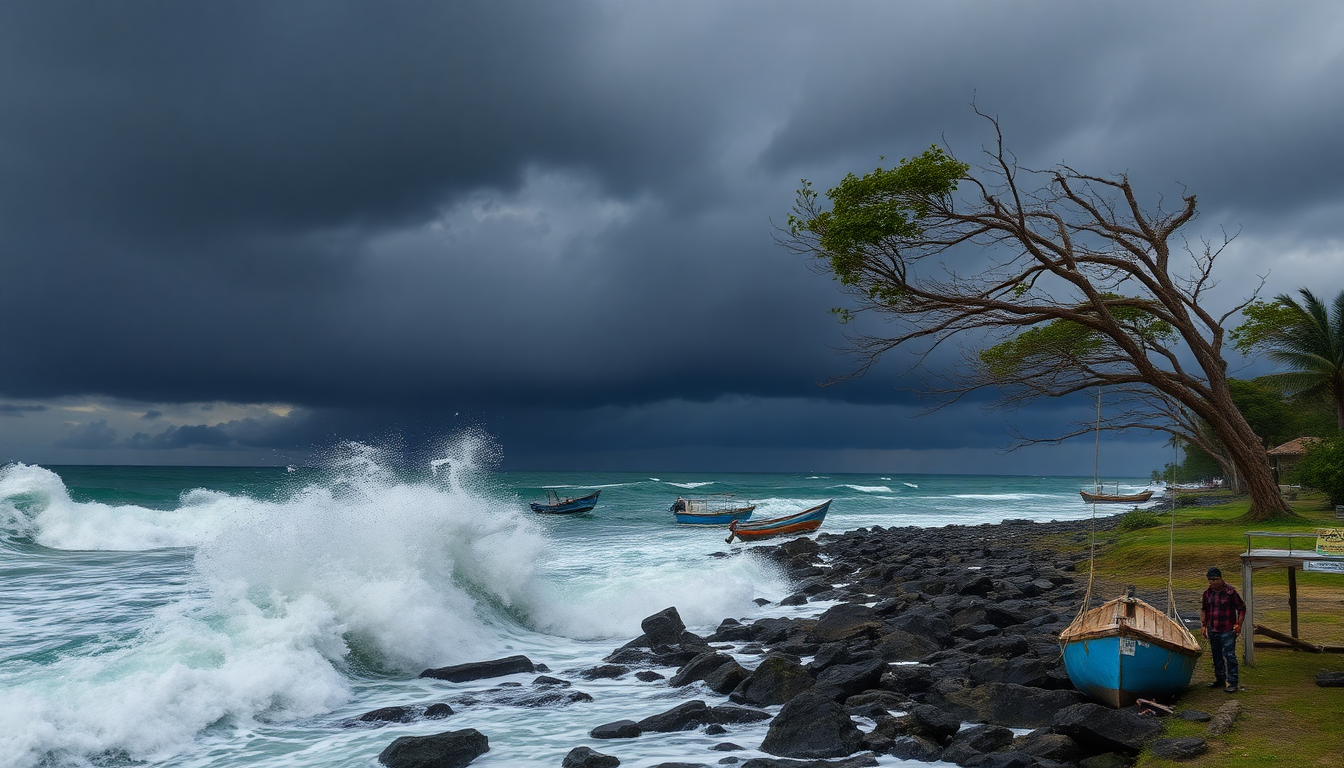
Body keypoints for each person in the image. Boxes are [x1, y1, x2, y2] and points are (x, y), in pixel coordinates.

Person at [1199, 566, 1246, 693]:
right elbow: (1204, 609)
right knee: (1216, 656)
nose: (1211, 583)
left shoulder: (1231, 592)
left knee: (1229, 656)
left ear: (1220, 579)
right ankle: (1220, 679)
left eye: (1213, 580)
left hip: (1227, 629)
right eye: (1209, 580)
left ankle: (1233, 682)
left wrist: (1239, 623)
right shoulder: (1207, 593)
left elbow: (1241, 608)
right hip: (1213, 629)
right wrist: (1203, 626)